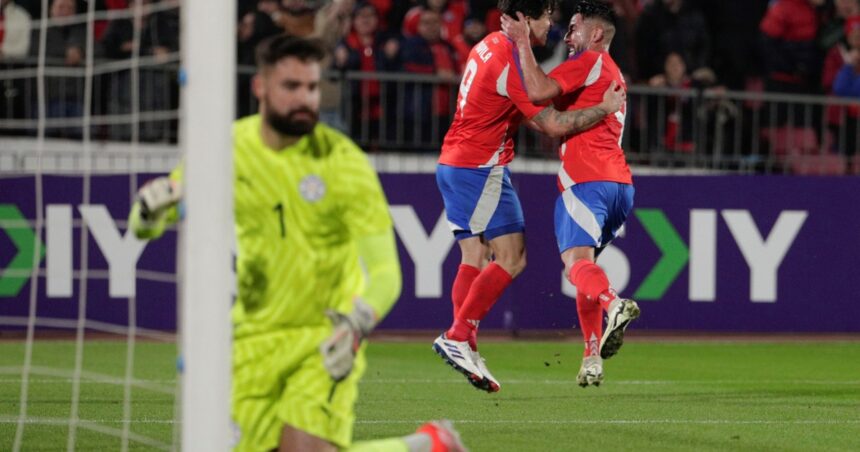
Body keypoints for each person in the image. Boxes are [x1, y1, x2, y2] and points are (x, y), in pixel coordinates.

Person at [128, 35, 465, 452]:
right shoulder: (226, 151)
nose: (306, 98)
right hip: (251, 338)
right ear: (261, 87)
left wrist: (356, 324)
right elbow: (145, 226)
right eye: (291, 87)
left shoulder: (344, 163)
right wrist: (149, 209)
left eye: (311, 87)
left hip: (323, 336)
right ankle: (426, 447)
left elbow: (385, 271)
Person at [432, 0, 625, 393]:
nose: (552, 26)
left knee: (474, 255)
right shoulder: (510, 62)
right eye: (547, 18)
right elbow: (551, 124)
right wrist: (603, 108)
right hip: (479, 168)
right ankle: (458, 336)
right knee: (512, 257)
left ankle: (464, 342)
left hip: (457, 160)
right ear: (524, 20)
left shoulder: (487, 44)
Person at [501, 0, 640, 388]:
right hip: (620, 186)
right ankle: (591, 357)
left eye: (576, 27)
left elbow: (539, 89)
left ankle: (614, 304)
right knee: (585, 267)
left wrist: (521, 43)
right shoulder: (612, 73)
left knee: (575, 264)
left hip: (585, 179)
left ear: (596, 34)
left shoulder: (590, 61)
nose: (569, 34)